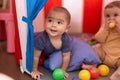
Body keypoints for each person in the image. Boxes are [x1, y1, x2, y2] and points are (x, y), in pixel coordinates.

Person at [31, 6, 101, 80]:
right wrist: (34, 70)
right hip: (46, 52)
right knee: (51, 64)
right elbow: (36, 56)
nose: (53, 25)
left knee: (54, 65)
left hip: (57, 51)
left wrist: (63, 70)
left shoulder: (65, 39)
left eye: (59, 22)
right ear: (45, 22)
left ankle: (92, 51)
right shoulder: (41, 39)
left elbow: (66, 56)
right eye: (50, 21)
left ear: (66, 28)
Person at [93, 1, 120, 80]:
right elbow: (98, 39)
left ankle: (118, 74)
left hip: (118, 58)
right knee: (95, 49)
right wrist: (105, 30)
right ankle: (92, 66)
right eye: (107, 16)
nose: (111, 18)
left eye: (115, 15)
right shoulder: (104, 27)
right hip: (104, 54)